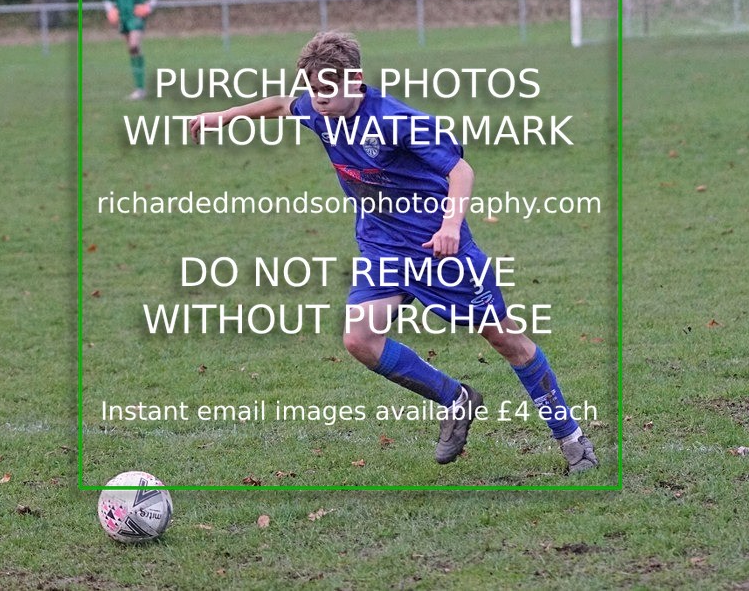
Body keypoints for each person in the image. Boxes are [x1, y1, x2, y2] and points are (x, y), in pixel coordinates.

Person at [188, 31, 599, 474]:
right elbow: (278, 105)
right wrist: (225, 116)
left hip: (439, 252)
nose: (318, 99)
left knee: (506, 340)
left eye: (328, 89)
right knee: (359, 339)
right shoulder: (316, 108)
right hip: (382, 249)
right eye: (312, 88)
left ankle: (572, 439)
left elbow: (461, 171)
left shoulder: (398, 120)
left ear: (357, 80)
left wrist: (450, 226)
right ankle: (455, 399)